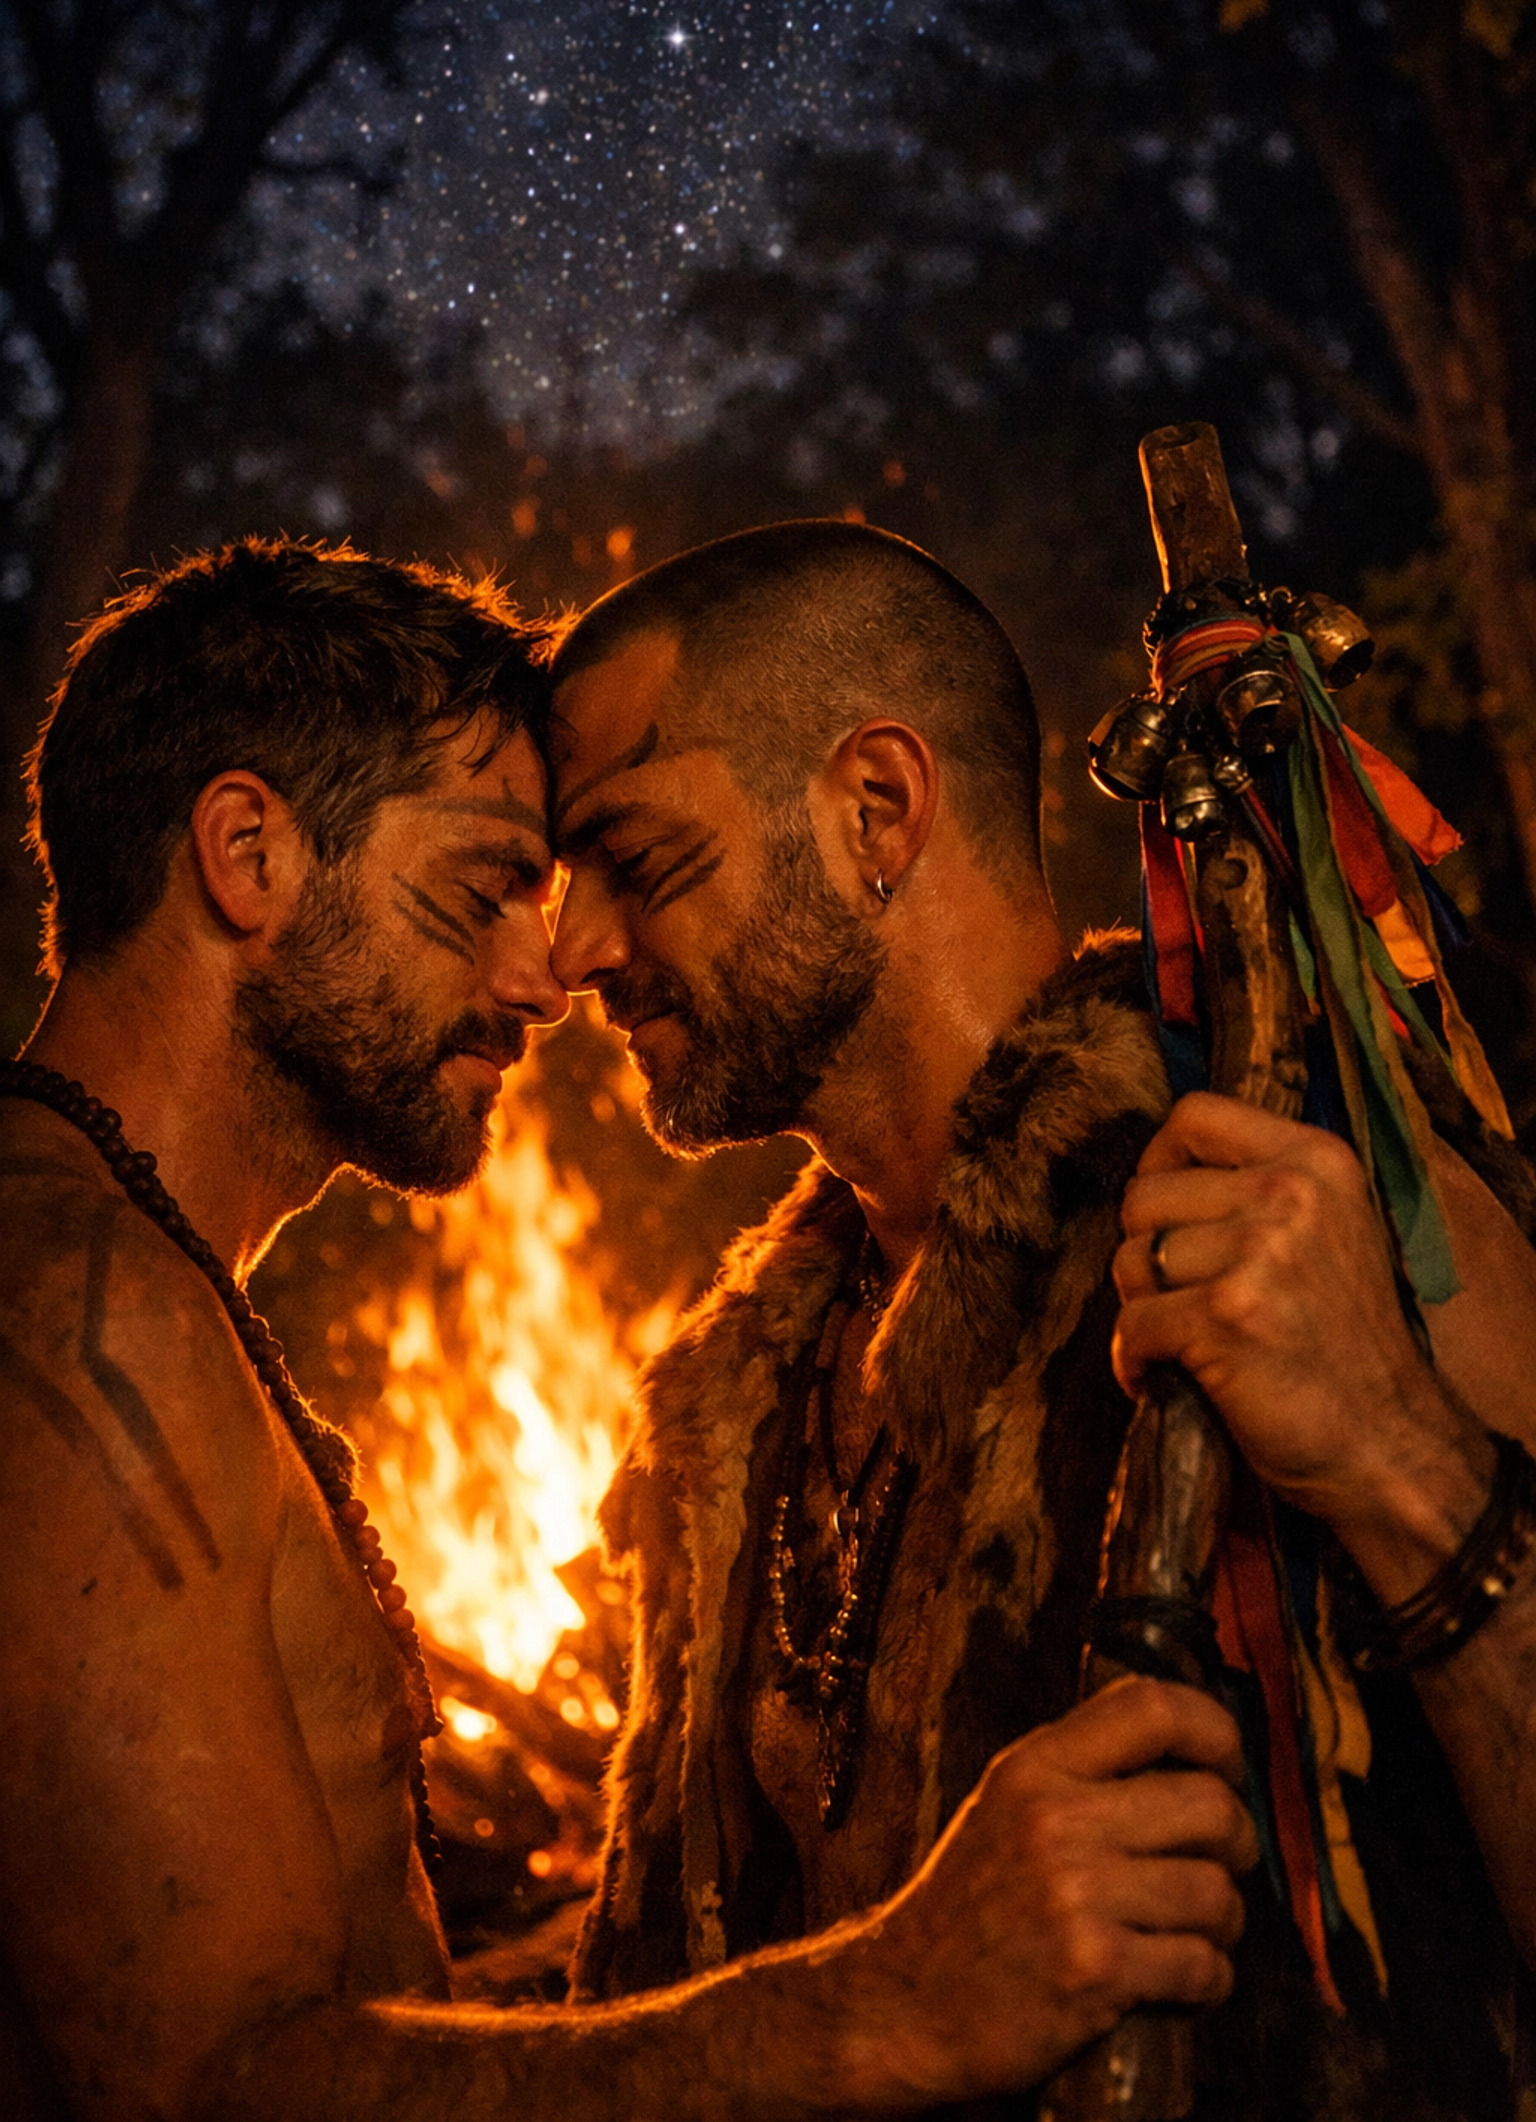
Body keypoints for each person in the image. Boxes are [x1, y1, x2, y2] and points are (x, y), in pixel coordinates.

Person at [0, 537, 1258, 2122]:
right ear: (246, 854)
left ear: (883, 810)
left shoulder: (1243, 1212)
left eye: (626, 871)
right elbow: (200, 2086)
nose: (549, 971)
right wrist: (883, 2005)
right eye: (480, 890)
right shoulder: (70, 1314)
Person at [546, 518, 1536, 2117]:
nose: (574, 948)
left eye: (639, 863)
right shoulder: (728, 1416)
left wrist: (1401, 1458)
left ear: (878, 808)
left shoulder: (1327, 1201)